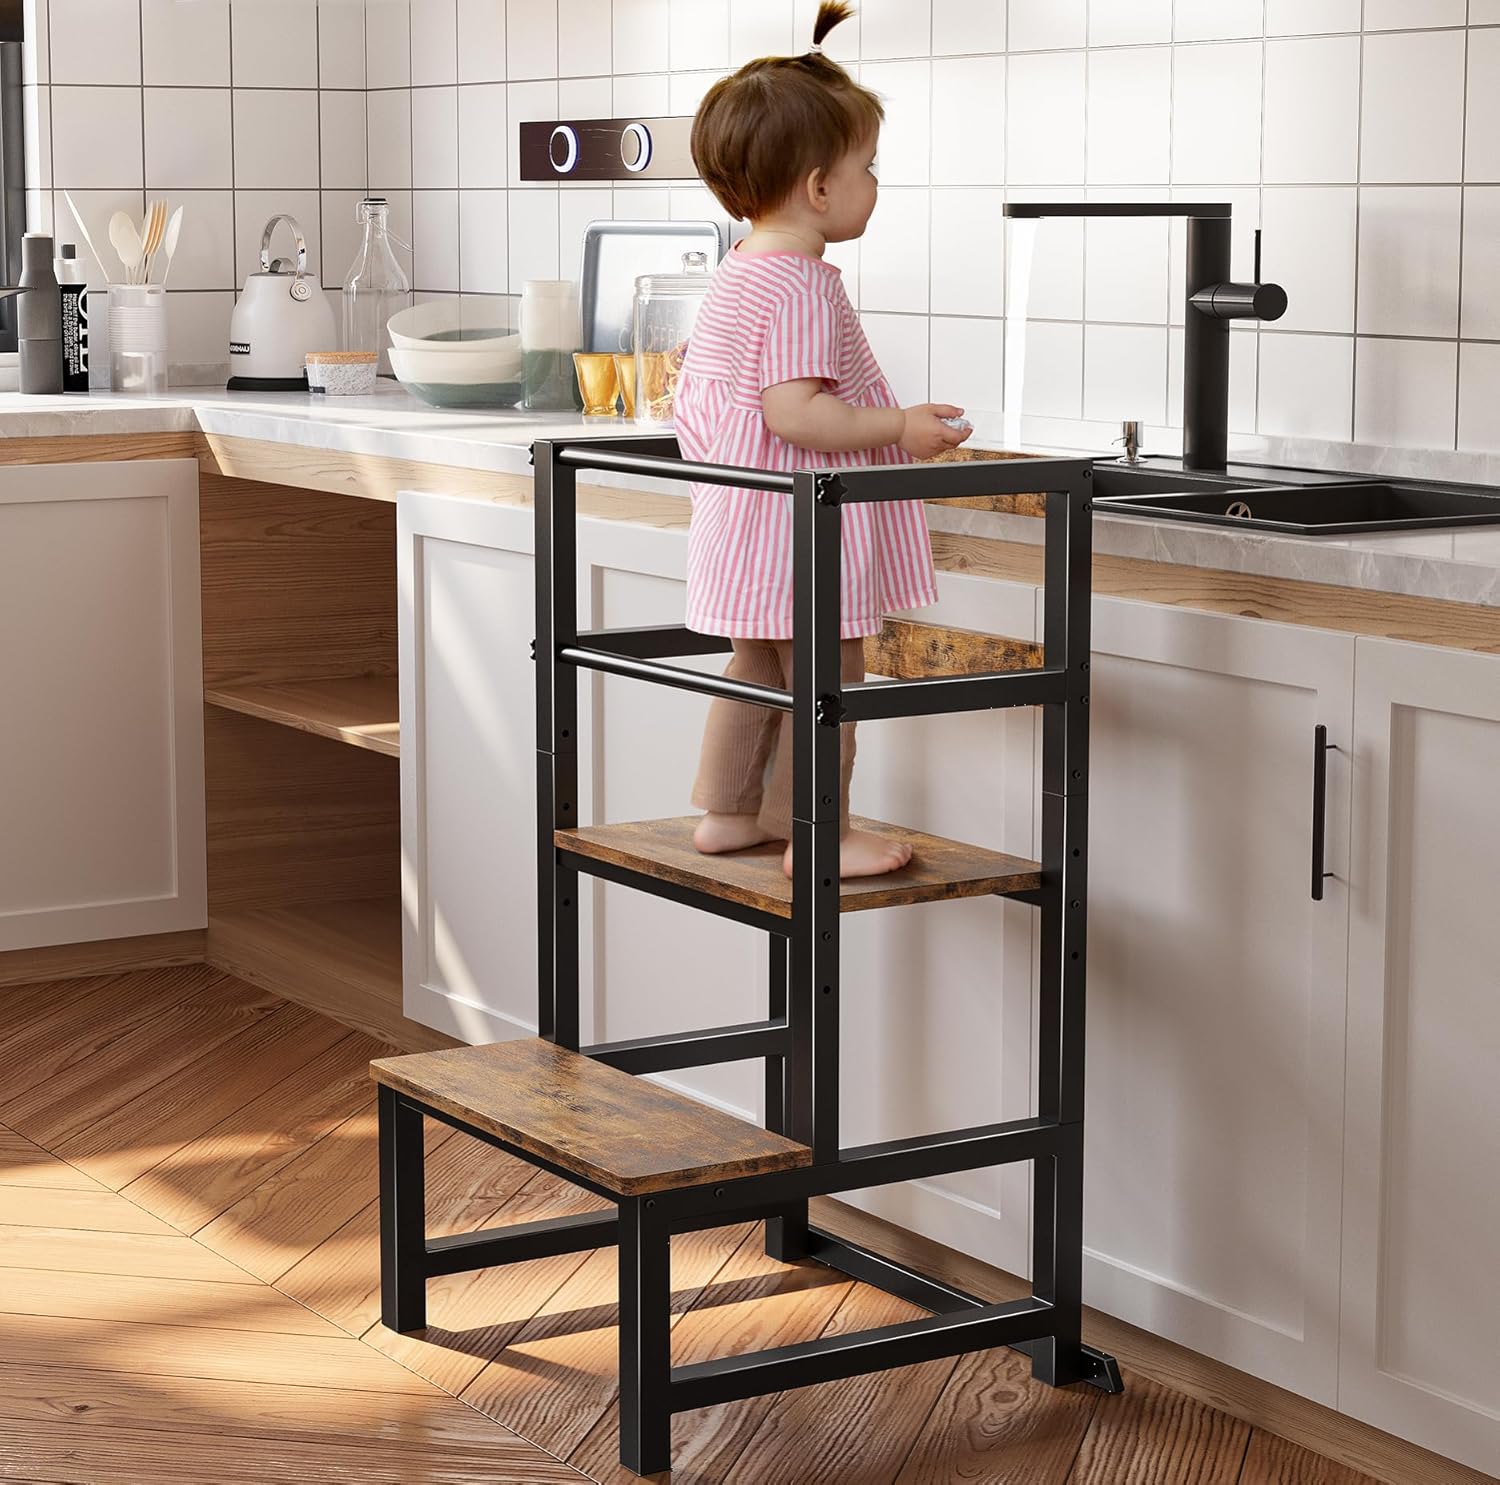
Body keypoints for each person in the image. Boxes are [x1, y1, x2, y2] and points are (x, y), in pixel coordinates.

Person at [676, 0, 972, 880]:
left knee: (756, 670)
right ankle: (820, 835)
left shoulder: (737, 272)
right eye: (867, 166)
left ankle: (729, 814)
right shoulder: (804, 284)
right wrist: (901, 427)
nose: (875, 182)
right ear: (817, 188)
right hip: (800, 536)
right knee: (826, 684)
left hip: (742, 529)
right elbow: (796, 412)